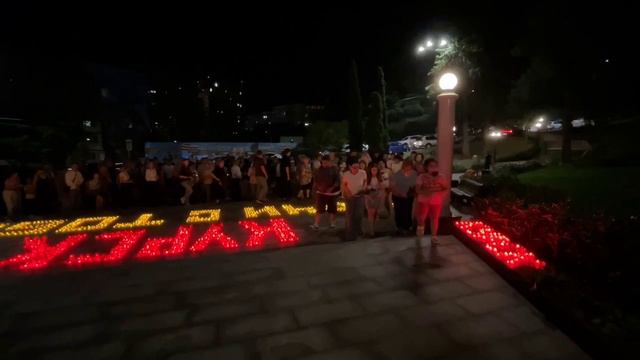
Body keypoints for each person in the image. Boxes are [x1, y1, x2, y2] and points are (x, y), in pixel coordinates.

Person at [415, 159, 449, 246]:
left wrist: (440, 194)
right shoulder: (422, 177)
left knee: (434, 218)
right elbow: (417, 189)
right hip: (423, 200)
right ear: (426, 167)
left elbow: (445, 188)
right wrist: (425, 192)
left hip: (436, 201)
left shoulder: (441, 177)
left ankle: (434, 236)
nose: (434, 168)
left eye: (435, 166)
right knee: (422, 217)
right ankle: (420, 229)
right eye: (431, 166)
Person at [311, 155, 340, 230]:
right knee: (319, 209)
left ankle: (332, 223)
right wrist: (318, 188)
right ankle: (316, 224)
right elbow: (315, 181)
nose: (325, 164)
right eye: (323, 163)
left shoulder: (334, 169)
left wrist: (332, 188)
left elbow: (337, 181)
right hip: (321, 193)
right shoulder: (318, 170)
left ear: (330, 162)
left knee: (332, 209)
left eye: (326, 163)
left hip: (332, 193)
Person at [341, 158, 367, 241]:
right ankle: (350, 232)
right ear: (350, 167)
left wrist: (363, 188)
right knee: (350, 214)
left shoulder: (363, 173)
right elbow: (344, 185)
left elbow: (365, 181)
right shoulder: (346, 174)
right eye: (354, 167)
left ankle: (358, 229)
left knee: (359, 214)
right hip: (349, 196)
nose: (356, 169)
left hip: (359, 195)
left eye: (358, 167)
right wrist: (348, 193)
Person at [390, 159, 417, 235]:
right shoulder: (397, 175)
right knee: (399, 211)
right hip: (398, 196)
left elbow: (415, 184)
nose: (408, 170)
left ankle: (407, 226)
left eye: (410, 168)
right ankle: (400, 227)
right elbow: (393, 186)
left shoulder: (414, 174)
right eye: (407, 168)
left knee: (408, 211)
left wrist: (413, 191)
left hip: (409, 196)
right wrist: (400, 193)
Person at [364, 163, 385, 237]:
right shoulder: (367, 178)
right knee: (370, 213)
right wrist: (368, 188)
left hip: (377, 196)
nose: (374, 171)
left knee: (375, 213)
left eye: (375, 170)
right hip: (369, 196)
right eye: (373, 170)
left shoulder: (379, 177)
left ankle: (374, 228)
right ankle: (371, 230)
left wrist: (379, 187)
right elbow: (364, 188)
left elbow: (383, 187)